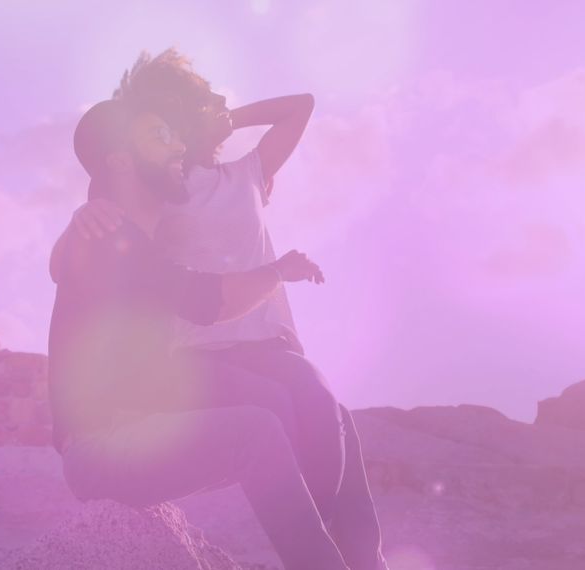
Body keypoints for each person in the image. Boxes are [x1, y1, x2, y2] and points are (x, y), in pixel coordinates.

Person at [52, 50, 389, 570]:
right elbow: (205, 301)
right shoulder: (109, 233)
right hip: (107, 440)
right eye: (161, 139)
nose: (177, 151)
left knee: (316, 412)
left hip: (145, 416)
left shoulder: (140, 225)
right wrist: (276, 272)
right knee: (258, 428)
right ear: (125, 163)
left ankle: (361, 560)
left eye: (174, 138)